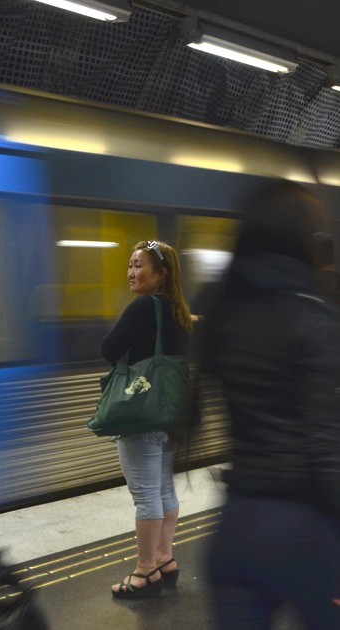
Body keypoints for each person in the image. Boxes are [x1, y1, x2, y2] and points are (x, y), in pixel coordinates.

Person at [199, 181, 340, 628]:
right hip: (308, 534)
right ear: (306, 243)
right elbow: (326, 451)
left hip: (235, 532)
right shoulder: (317, 321)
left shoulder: (223, 316)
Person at [101, 239, 192, 599]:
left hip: (141, 415)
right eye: (130, 265)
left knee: (145, 496)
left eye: (139, 265)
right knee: (163, 490)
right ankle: (164, 558)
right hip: (170, 416)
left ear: (161, 274)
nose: (131, 273)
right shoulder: (179, 312)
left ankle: (144, 571)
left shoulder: (143, 308)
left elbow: (108, 348)